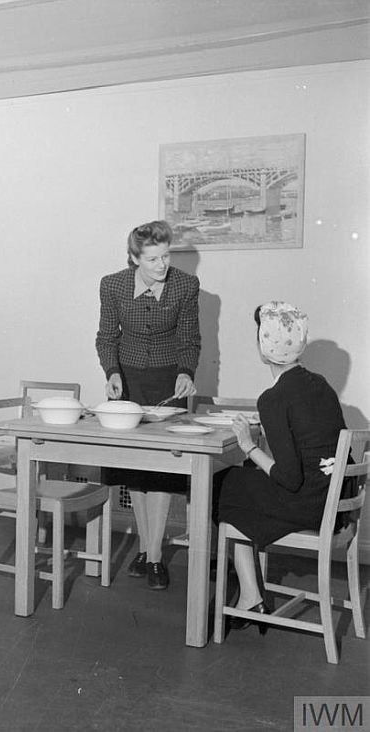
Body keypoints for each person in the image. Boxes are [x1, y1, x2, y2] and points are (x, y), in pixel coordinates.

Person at [217, 301, 348, 629]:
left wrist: (247, 445)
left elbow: (289, 478)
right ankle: (251, 594)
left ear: (264, 348)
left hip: (307, 505)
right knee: (241, 482)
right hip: (335, 502)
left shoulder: (273, 398)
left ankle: (250, 596)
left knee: (223, 484)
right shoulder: (322, 385)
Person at [95, 220, 200, 589]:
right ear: (134, 258)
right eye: (153, 258)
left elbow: (190, 338)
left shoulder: (186, 285)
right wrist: (111, 372)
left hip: (167, 382)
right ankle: (147, 548)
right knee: (133, 472)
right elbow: (107, 337)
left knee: (160, 472)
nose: (162, 264)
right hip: (127, 381)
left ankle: (153, 557)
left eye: (166, 255)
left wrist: (186, 371)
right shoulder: (113, 285)